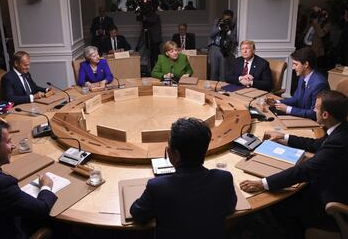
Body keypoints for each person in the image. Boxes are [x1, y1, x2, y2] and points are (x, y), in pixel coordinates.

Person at [240, 90, 348, 238]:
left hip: (330, 200)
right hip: (332, 182)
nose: (314, 110)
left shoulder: (339, 141)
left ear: (325, 115)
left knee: (278, 204)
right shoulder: (340, 128)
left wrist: (263, 183)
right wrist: (283, 137)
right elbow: (316, 144)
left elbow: (305, 170)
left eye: (316, 108)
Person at [130, 117, 237, 238]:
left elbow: (137, 214)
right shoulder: (224, 179)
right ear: (205, 150)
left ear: (175, 155)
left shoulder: (158, 187)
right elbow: (229, 208)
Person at [270, 47, 329, 120]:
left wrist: (288, 109)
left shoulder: (319, 84)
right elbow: (296, 99)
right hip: (301, 115)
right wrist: (276, 102)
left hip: (311, 121)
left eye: (296, 64)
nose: (293, 68)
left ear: (306, 64)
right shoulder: (302, 77)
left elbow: (314, 114)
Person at [208, 9, 237, 81]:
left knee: (223, 72)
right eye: (225, 19)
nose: (226, 21)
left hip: (225, 50)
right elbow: (211, 35)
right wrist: (220, 27)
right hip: (214, 48)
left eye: (228, 19)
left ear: (231, 18)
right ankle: (212, 88)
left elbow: (234, 40)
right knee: (213, 71)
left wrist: (228, 30)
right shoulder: (217, 22)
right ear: (222, 17)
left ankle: (222, 89)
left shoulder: (233, 25)